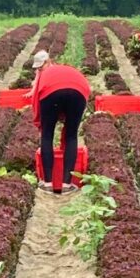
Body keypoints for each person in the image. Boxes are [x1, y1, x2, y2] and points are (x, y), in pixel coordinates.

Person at [28, 50, 90, 194]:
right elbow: (85, 94)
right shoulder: (70, 70)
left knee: (47, 135)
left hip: (51, 92)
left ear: (47, 62)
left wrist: (39, 121)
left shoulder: (45, 75)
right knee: (71, 135)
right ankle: (67, 184)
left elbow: (36, 100)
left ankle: (48, 183)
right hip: (79, 91)